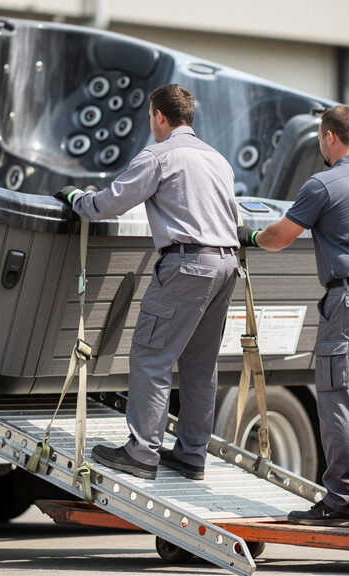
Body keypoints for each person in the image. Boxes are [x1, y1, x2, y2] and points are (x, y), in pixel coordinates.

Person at [54, 84, 240, 481]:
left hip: (187, 265)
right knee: (200, 365)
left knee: (151, 356)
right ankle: (191, 455)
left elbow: (108, 204)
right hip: (226, 264)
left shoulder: (160, 156)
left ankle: (141, 452)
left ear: (159, 115)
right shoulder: (218, 160)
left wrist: (75, 199)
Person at [237, 104, 349, 525]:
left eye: (320, 138)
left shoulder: (323, 184)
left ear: (330, 137)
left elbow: (279, 237)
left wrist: (251, 236)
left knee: (339, 400)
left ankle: (341, 501)